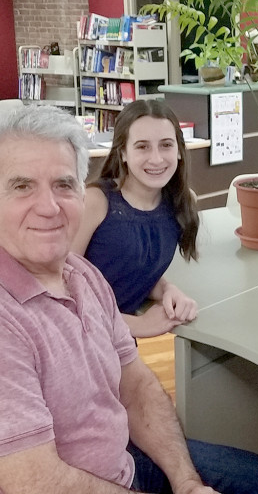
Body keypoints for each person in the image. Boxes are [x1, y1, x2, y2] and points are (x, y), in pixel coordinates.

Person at [0, 106, 258, 494]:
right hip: (51, 484)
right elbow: (41, 484)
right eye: (22, 186)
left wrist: (187, 483)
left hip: (108, 465)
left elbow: (135, 386)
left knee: (251, 475)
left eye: (63, 185)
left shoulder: (79, 273)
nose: (49, 207)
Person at [72, 99, 199, 338]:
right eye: (142, 147)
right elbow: (59, 290)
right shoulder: (95, 202)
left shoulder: (181, 203)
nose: (156, 159)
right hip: (76, 342)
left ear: (180, 151)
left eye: (166, 145)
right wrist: (132, 324)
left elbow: (129, 271)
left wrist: (167, 289)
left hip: (116, 344)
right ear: (123, 153)